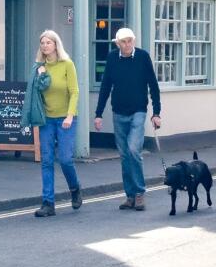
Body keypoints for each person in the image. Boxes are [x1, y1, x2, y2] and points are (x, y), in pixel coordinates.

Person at [94, 27, 162, 211]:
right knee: (124, 155)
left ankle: (139, 193)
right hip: (118, 112)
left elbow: (153, 85)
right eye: (123, 42)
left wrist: (156, 113)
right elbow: (105, 86)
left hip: (138, 111)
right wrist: (98, 114)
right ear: (117, 43)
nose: (127, 44)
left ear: (134, 41)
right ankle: (130, 196)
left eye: (130, 41)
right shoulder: (112, 58)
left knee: (133, 150)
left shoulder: (142, 57)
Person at [25, 30, 82, 218]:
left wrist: (70, 116)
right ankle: (48, 203)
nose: (44, 46)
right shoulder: (39, 67)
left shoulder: (67, 64)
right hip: (46, 119)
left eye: (48, 42)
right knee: (47, 160)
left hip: (66, 118)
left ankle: (74, 188)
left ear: (56, 45)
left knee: (65, 159)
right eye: (42, 43)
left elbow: (74, 92)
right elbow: (35, 93)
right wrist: (41, 75)